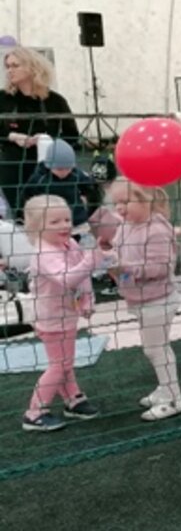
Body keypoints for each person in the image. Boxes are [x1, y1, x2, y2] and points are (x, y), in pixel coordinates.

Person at [21, 195, 105, 431]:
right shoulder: (44, 253)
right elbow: (67, 279)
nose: (65, 225)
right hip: (50, 318)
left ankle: (73, 399)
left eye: (67, 219)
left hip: (66, 314)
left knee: (65, 362)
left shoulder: (70, 245)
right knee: (59, 364)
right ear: (37, 227)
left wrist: (87, 298)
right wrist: (92, 259)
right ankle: (35, 412)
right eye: (55, 222)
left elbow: (82, 277)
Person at [109, 178, 181, 421]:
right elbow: (119, 252)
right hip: (139, 298)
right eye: (116, 202)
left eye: (125, 201)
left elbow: (161, 268)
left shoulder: (157, 229)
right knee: (152, 348)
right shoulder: (125, 225)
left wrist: (126, 268)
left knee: (157, 349)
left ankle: (174, 398)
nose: (119, 207)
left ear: (146, 200)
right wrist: (110, 259)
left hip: (158, 300)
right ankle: (164, 388)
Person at [1, 47, 80, 210]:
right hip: (12, 166)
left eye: (15, 65)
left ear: (32, 67)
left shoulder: (55, 101)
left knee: (47, 211)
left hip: (47, 167)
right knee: (19, 212)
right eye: (7, 66)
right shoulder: (2, 98)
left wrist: (48, 141)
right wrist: (12, 136)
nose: (10, 70)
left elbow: (72, 136)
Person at [19, 139, 101, 227]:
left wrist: (90, 212)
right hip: (50, 222)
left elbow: (91, 189)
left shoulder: (76, 174)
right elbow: (25, 198)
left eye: (68, 168)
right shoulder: (39, 178)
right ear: (49, 166)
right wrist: (23, 218)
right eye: (59, 169)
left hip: (76, 219)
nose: (64, 172)